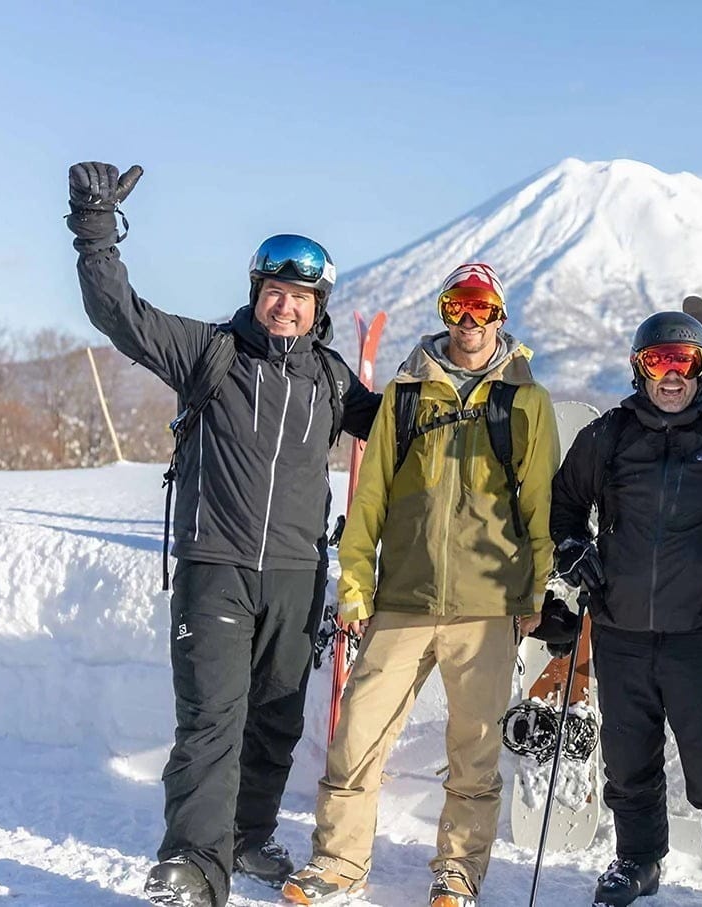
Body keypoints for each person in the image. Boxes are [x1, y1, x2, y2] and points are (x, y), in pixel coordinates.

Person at [65, 162, 382, 907]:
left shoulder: (332, 379)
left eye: (300, 296)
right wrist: (95, 232)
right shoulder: (209, 351)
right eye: (274, 291)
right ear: (255, 292)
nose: (285, 305)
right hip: (217, 564)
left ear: (318, 307)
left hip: (298, 574)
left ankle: (247, 836)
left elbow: (404, 432)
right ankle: (192, 862)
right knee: (211, 720)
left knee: (274, 719)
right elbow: (120, 314)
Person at [283, 263, 559, 907]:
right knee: (357, 736)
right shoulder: (407, 393)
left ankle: (458, 871)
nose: (468, 320)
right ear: (443, 312)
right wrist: (356, 583)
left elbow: (540, 505)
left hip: (488, 604)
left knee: (475, 749)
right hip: (403, 599)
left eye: (480, 307)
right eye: (456, 306)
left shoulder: (526, 401)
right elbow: (370, 495)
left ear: (499, 315)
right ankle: (338, 861)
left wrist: (535, 593)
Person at [550, 311, 702, 907]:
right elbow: (563, 503)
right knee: (628, 761)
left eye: (684, 361)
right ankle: (637, 861)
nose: (671, 374)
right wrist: (573, 550)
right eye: (658, 361)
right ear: (639, 369)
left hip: (699, 633)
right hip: (620, 630)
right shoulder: (608, 435)